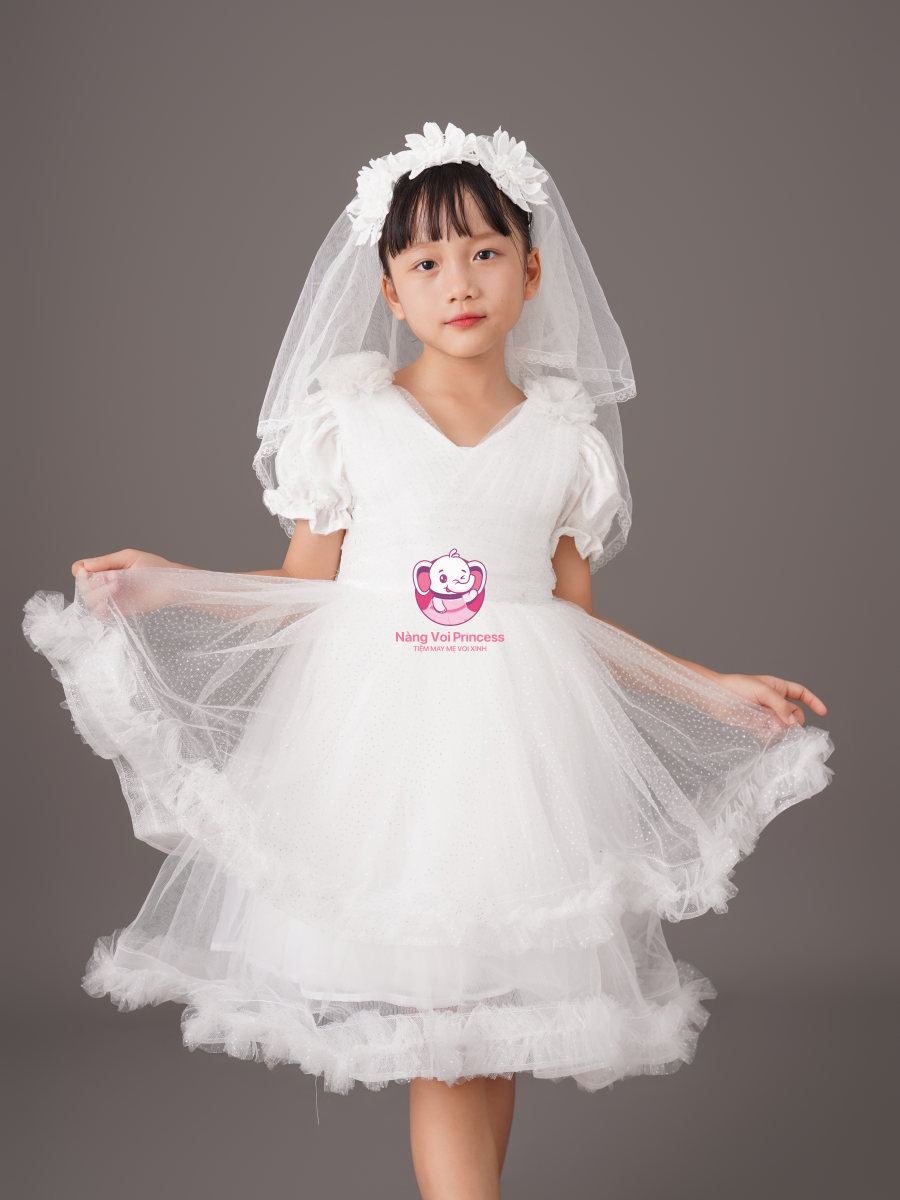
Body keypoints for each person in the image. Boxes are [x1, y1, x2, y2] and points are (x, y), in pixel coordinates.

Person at [21, 122, 835, 1199]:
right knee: (447, 1023)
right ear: (390, 291)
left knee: (488, 1032)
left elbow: (577, 628)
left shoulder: (565, 441)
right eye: (426, 261)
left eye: (486, 252)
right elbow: (304, 586)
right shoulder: (350, 422)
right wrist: (170, 584)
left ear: (532, 272)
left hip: (519, 759)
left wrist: (709, 688)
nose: (460, 281)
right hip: (387, 755)